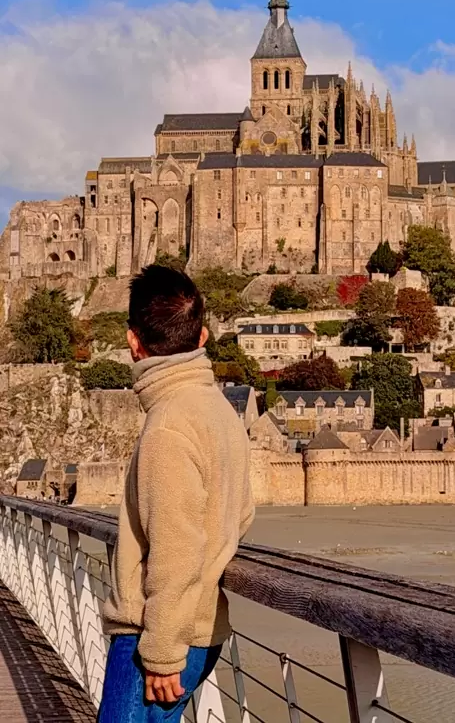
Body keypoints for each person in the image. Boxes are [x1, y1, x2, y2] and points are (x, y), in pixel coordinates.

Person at [99, 265, 254, 722]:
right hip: (201, 627)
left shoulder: (168, 425)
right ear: (202, 337)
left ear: (132, 341)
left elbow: (177, 547)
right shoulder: (222, 411)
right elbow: (241, 514)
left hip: (158, 635)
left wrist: (163, 652)